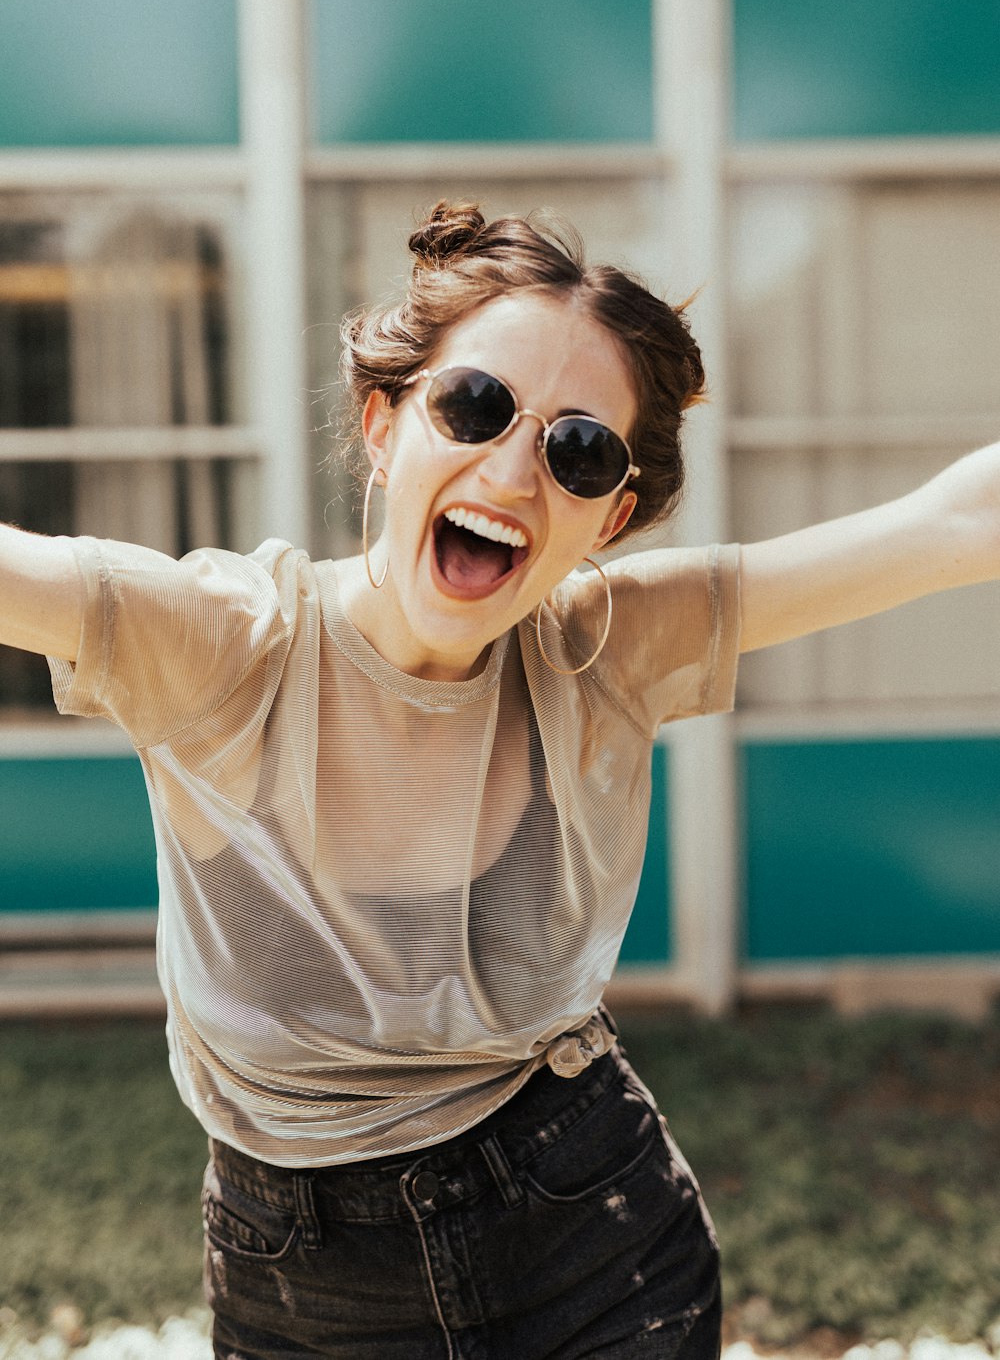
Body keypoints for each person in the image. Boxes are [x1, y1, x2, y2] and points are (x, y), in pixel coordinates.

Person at [2, 201, 999, 1359]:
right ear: (383, 428)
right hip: (303, 1279)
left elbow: (952, 523)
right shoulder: (231, 647)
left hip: (595, 1235)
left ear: (610, 514)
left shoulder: (607, 647)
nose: (514, 468)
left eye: (578, 450)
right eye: (473, 405)